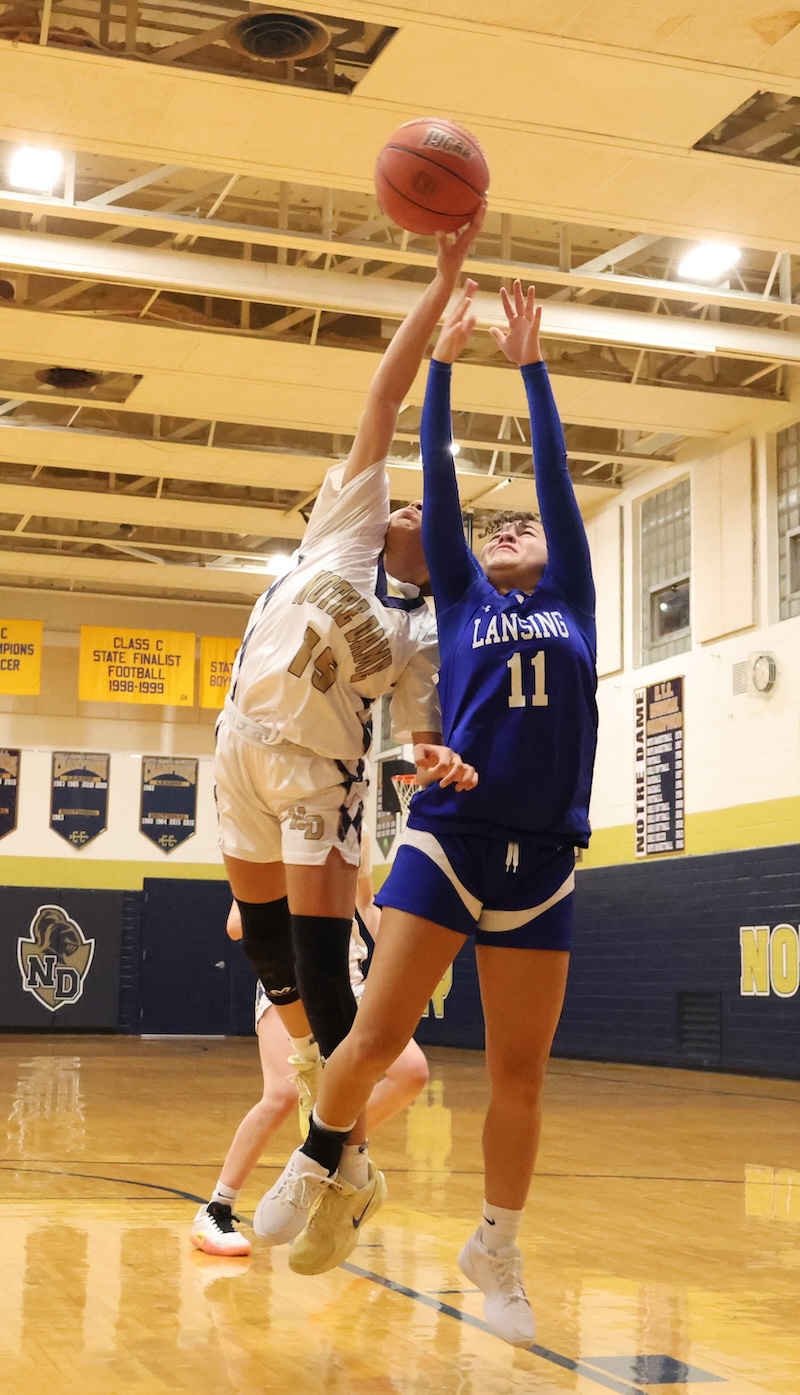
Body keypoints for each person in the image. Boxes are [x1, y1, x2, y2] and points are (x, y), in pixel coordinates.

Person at [254, 280, 598, 1347]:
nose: (511, 526)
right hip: (451, 840)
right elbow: (439, 493)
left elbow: (553, 477)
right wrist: (444, 363)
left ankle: (495, 1246)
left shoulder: (574, 600)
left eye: (525, 526)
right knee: (373, 1034)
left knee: (518, 1072)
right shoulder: (457, 599)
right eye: (496, 526)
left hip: (543, 854)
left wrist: (532, 368)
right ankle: (320, 1158)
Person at [214, 220, 482, 1245]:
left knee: (325, 973)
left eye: (425, 511)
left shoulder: (421, 635)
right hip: (236, 742)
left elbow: (419, 735)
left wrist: (436, 754)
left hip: (319, 779)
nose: (406, 503)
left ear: (440, 548)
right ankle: (353, 1162)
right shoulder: (346, 528)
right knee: (267, 948)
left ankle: (330, 1159)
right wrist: (439, 282)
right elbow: (383, 396)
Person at [191, 831, 430, 1256]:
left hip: (349, 982)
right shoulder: (274, 839)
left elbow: (365, 905)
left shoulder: (354, 833)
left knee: (411, 1072)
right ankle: (216, 1208)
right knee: (282, 1094)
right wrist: (303, 897)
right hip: (291, 980)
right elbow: (236, 924)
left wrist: (406, 955)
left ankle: (320, 1146)